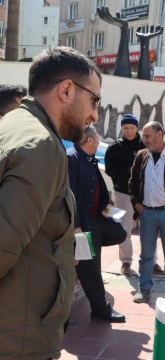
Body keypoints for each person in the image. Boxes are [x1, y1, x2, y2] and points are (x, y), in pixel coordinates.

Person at [0, 46, 101, 359]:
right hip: (20, 339)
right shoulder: (41, 145)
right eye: (95, 99)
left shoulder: (13, 125)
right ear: (67, 90)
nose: (95, 114)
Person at [67, 125, 127, 322]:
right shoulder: (72, 158)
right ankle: (101, 309)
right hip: (82, 227)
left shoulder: (88, 159)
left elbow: (97, 188)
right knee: (90, 268)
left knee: (120, 233)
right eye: (98, 138)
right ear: (90, 140)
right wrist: (76, 227)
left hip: (96, 220)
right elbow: (69, 195)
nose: (99, 142)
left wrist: (103, 206)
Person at [129, 121, 165, 303]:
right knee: (146, 256)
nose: (144, 139)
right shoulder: (141, 156)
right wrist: (136, 203)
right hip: (147, 213)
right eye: (143, 136)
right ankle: (144, 289)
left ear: (160, 135)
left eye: (148, 136)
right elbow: (132, 181)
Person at [105, 114, 163, 276]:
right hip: (123, 193)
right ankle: (125, 261)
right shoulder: (114, 148)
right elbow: (110, 170)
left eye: (132, 128)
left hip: (146, 194)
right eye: (125, 128)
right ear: (121, 129)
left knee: (150, 228)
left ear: (137, 128)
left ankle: (152, 262)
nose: (129, 131)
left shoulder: (147, 146)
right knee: (124, 228)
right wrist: (128, 171)